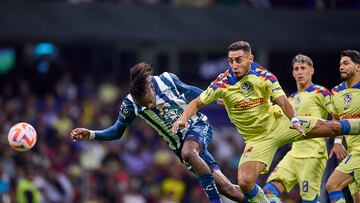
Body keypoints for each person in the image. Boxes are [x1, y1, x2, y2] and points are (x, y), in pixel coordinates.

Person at [172, 41, 360, 203]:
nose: (234, 65)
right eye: (231, 61)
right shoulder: (222, 82)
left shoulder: (263, 75)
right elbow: (197, 102)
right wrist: (183, 118)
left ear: (250, 59)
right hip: (256, 140)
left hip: (279, 123)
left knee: (331, 127)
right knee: (245, 183)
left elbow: (282, 101)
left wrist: (294, 119)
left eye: (238, 60)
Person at [70, 62, 248, 203]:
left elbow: (189, 91)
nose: (149, 106)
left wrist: (214, 98)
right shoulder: (130, 104)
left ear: (150, 86)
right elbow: (117, 131)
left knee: (189, 152)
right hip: (179, 147)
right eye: (144, 105)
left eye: (149, 100)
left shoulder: (166, 79)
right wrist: (92, 134)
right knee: (226, 188)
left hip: (197, 125)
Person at [263, 54, 333, 202]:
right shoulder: (290, 99)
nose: (299, 72)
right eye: (296, 69)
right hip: (293, 154)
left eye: (303, 68)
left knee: (309, 200)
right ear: (293, 73)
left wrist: (337, 139)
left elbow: (337, 114)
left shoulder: (321, 92)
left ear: (311, 71)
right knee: (269, 190)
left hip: (313, 155)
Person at [325, 50, 360, 203]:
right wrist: (338, 142)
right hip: (351, 150)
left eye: (346, 63)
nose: (341, 67)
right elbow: (337, 118)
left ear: (358, 67)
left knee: (332, 185)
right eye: (340, 64)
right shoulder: (336, 92)